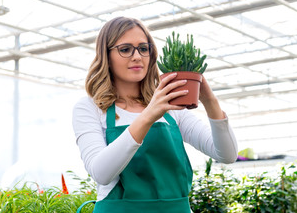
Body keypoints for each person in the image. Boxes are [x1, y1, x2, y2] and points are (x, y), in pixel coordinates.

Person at [72, 16, 238, 213]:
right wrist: (149, 115)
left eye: (143, 48)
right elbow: (101, 172)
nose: (137, 56)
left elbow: (227, 155)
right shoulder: (90, 108)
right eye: (125, 49)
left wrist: (210, 101)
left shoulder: (171, 107)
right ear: (106, 55)